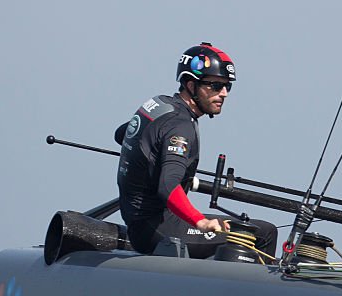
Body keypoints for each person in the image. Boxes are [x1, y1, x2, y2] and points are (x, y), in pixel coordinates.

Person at [115, 42, 277, 259]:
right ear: (191, 85)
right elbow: (167, 185)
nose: (224, 93)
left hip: (142, 219)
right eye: (215, 86)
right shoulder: (180, 126)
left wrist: (149, 159)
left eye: (228, 86)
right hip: (155, 229)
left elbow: (122, 134)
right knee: (263, 234)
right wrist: (200, 221)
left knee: (252, 228)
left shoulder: (160, 104)